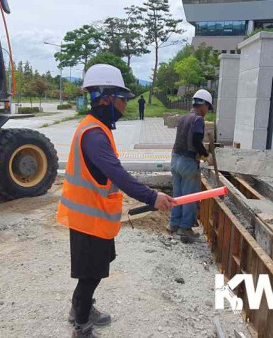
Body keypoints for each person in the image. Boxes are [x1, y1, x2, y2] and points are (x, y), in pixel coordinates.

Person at [56, 64, 175, 338]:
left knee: (93, 272)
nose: (124, 106)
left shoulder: (95, 127)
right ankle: (81, 327)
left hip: (95, 217)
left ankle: (80, 310)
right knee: (90, 276)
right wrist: (152, 196)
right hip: (89, 220)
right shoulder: (95, 135)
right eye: (122, 100)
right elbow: (118, 174)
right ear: (106, 98)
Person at [168, 89, 213, 242]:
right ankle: (185, 228)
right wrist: (206, 156)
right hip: (188, 162)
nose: (207, 111)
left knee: (178, 195)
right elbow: (195, 141)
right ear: (203, 104)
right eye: (208, 107)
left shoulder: (183, 117)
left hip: (175, 159)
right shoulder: (198, 119)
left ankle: (173, 224)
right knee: (190, 197)